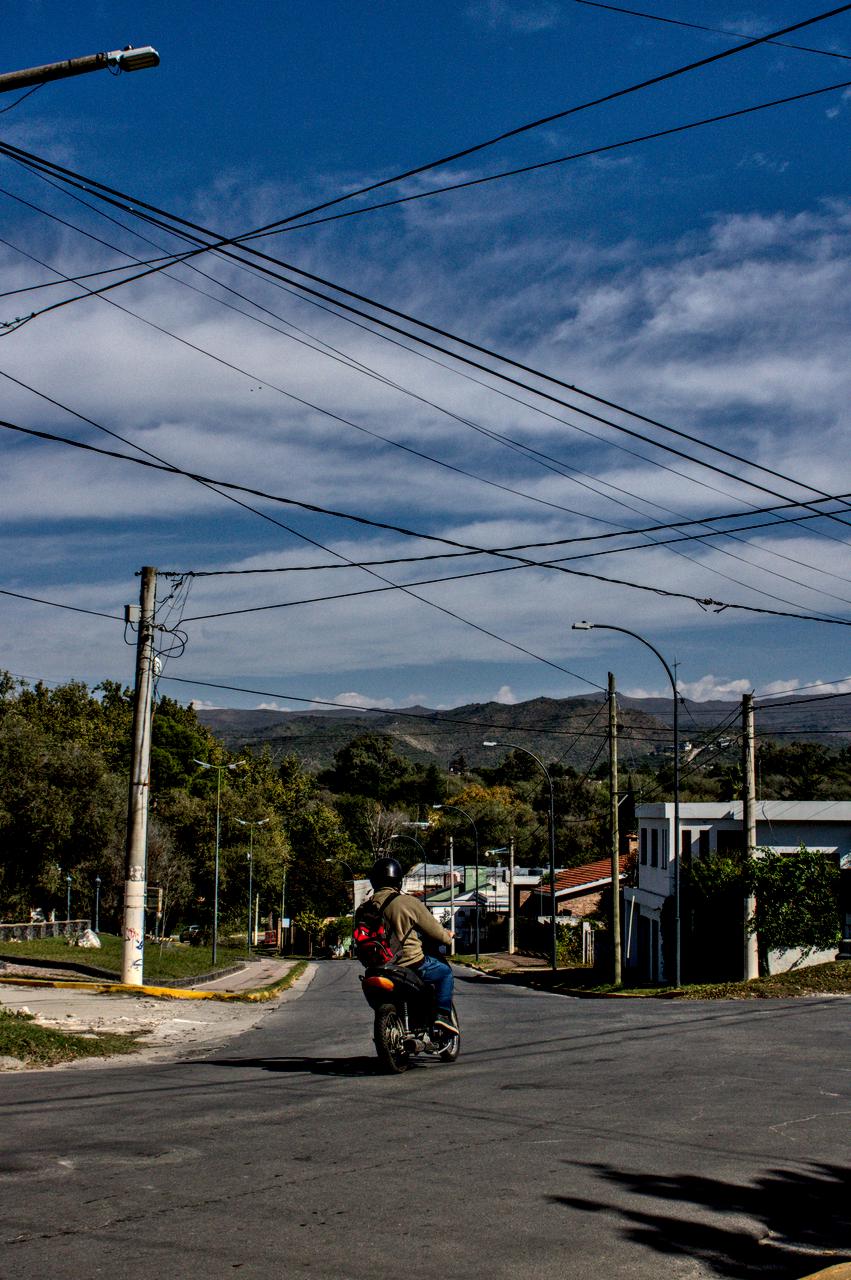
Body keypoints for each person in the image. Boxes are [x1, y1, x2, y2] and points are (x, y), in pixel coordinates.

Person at [360, 855, 456, 1034]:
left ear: (374, 881)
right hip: (409, 964)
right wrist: (448, 937)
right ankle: (443, 1015)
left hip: (376, 968)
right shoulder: (408, 902)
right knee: (445, 973)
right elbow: (436, 932)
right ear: (399, 881)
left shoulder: (363, 909)